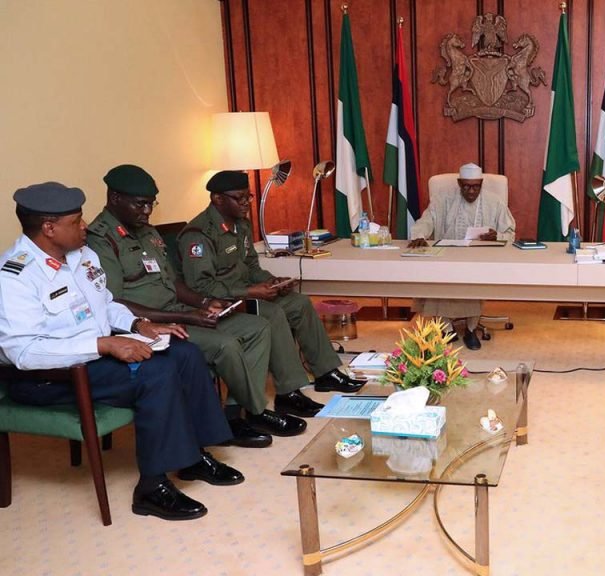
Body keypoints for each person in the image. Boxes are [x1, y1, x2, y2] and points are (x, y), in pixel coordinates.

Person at [0, 182, 243, 521]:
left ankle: (192, 457)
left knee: (184, 353)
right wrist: (103, 344)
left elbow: (105, 303)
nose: (85, 226)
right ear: (49, 228)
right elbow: (22, 352)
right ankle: (151, 488)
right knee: (155, 373)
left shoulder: (81, 255)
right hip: (49, 377)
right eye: (76, 221)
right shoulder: (16, 275)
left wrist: (138, 325)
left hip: (95, 357)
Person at [87, 164, 309, 448]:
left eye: (151, 204)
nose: (147, 211)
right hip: (145, 326)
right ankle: (249, 414)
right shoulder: (101, 240)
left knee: (257, 327)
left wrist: (204, 303)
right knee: (226, 345)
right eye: (140, 204)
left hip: (178, 311)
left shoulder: (146, 231)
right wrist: (186, 314)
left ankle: (236, 413)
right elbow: (114, 303)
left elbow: (173, 281)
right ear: (115, 198)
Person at [177, 170, 366, 397]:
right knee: (273, 312)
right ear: (217, 199)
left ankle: (326, 373)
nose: (246, 203)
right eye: (239, 198)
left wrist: (271, 281)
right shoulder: (198, 235)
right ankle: (290, 390)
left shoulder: (241, 225)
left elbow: (251, 267)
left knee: (299, 302)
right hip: (222, 303)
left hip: (245, 294)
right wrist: (250, 291)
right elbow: (201, 288)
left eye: (249, 197)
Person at [407, 163, 516, 350]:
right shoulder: (442, 199)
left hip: (480, 257)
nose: (471, 191)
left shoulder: (494, 201)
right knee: (438, 276)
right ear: (459, 183)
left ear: (481, 183)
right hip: (446, 255)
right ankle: (447, 329)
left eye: (475, 186)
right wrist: (418, 235)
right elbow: (426, 221)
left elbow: (510, 232)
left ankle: (471, 329)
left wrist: (497, 235)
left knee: (472, 279)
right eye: (466, 186)